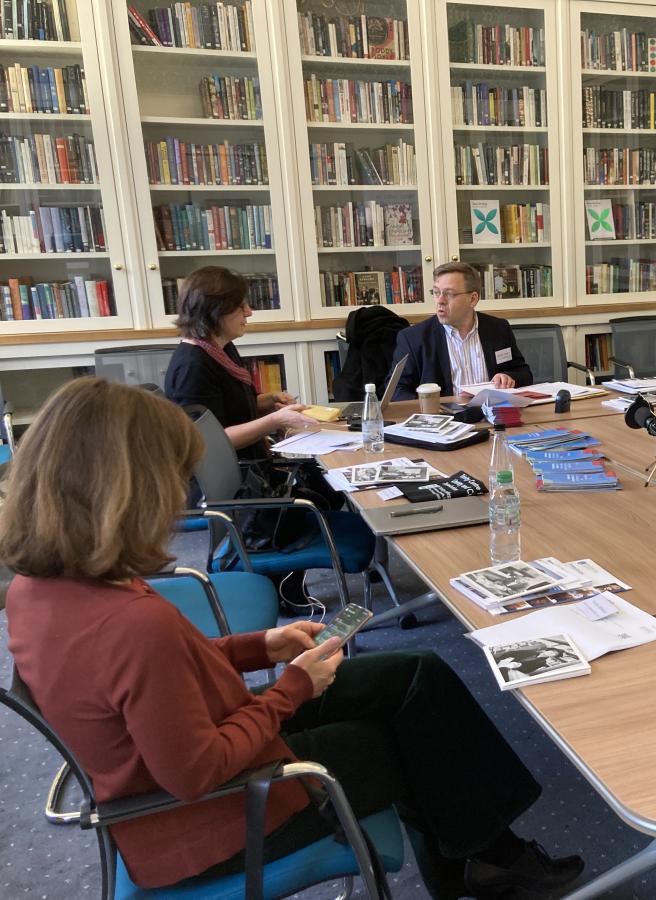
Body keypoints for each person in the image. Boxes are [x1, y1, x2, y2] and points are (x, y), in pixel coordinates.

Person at [0, 378, 584, 900]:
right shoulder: (129, 621)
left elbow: (152, 679)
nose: (184, 496)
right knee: (410, 742)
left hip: (190, 754)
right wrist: (292, 689)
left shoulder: (39, 587)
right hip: (214, 817)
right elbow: (195, 773)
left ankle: (485, 860)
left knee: (416, 675)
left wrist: (261, 646)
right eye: (175, 479)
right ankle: (486, 866)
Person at [164, 266, 316, 459]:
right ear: (214, 310)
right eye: (240, 306)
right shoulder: (192, 368)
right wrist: (276, 420)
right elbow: (209, 441)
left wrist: (269, 400)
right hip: (233, 479)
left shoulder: (221, 348)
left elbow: (231, 407)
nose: (249, 312)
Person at [393, 261, 533, 399]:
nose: (440, 300)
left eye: (449, 294)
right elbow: (396, 391)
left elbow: (524, 373)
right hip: (445, 418)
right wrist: (429, 406)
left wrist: (509, 377)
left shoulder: (499, 328)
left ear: (472, 299)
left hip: (493, 414)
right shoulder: (413, 338)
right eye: (436, 292)